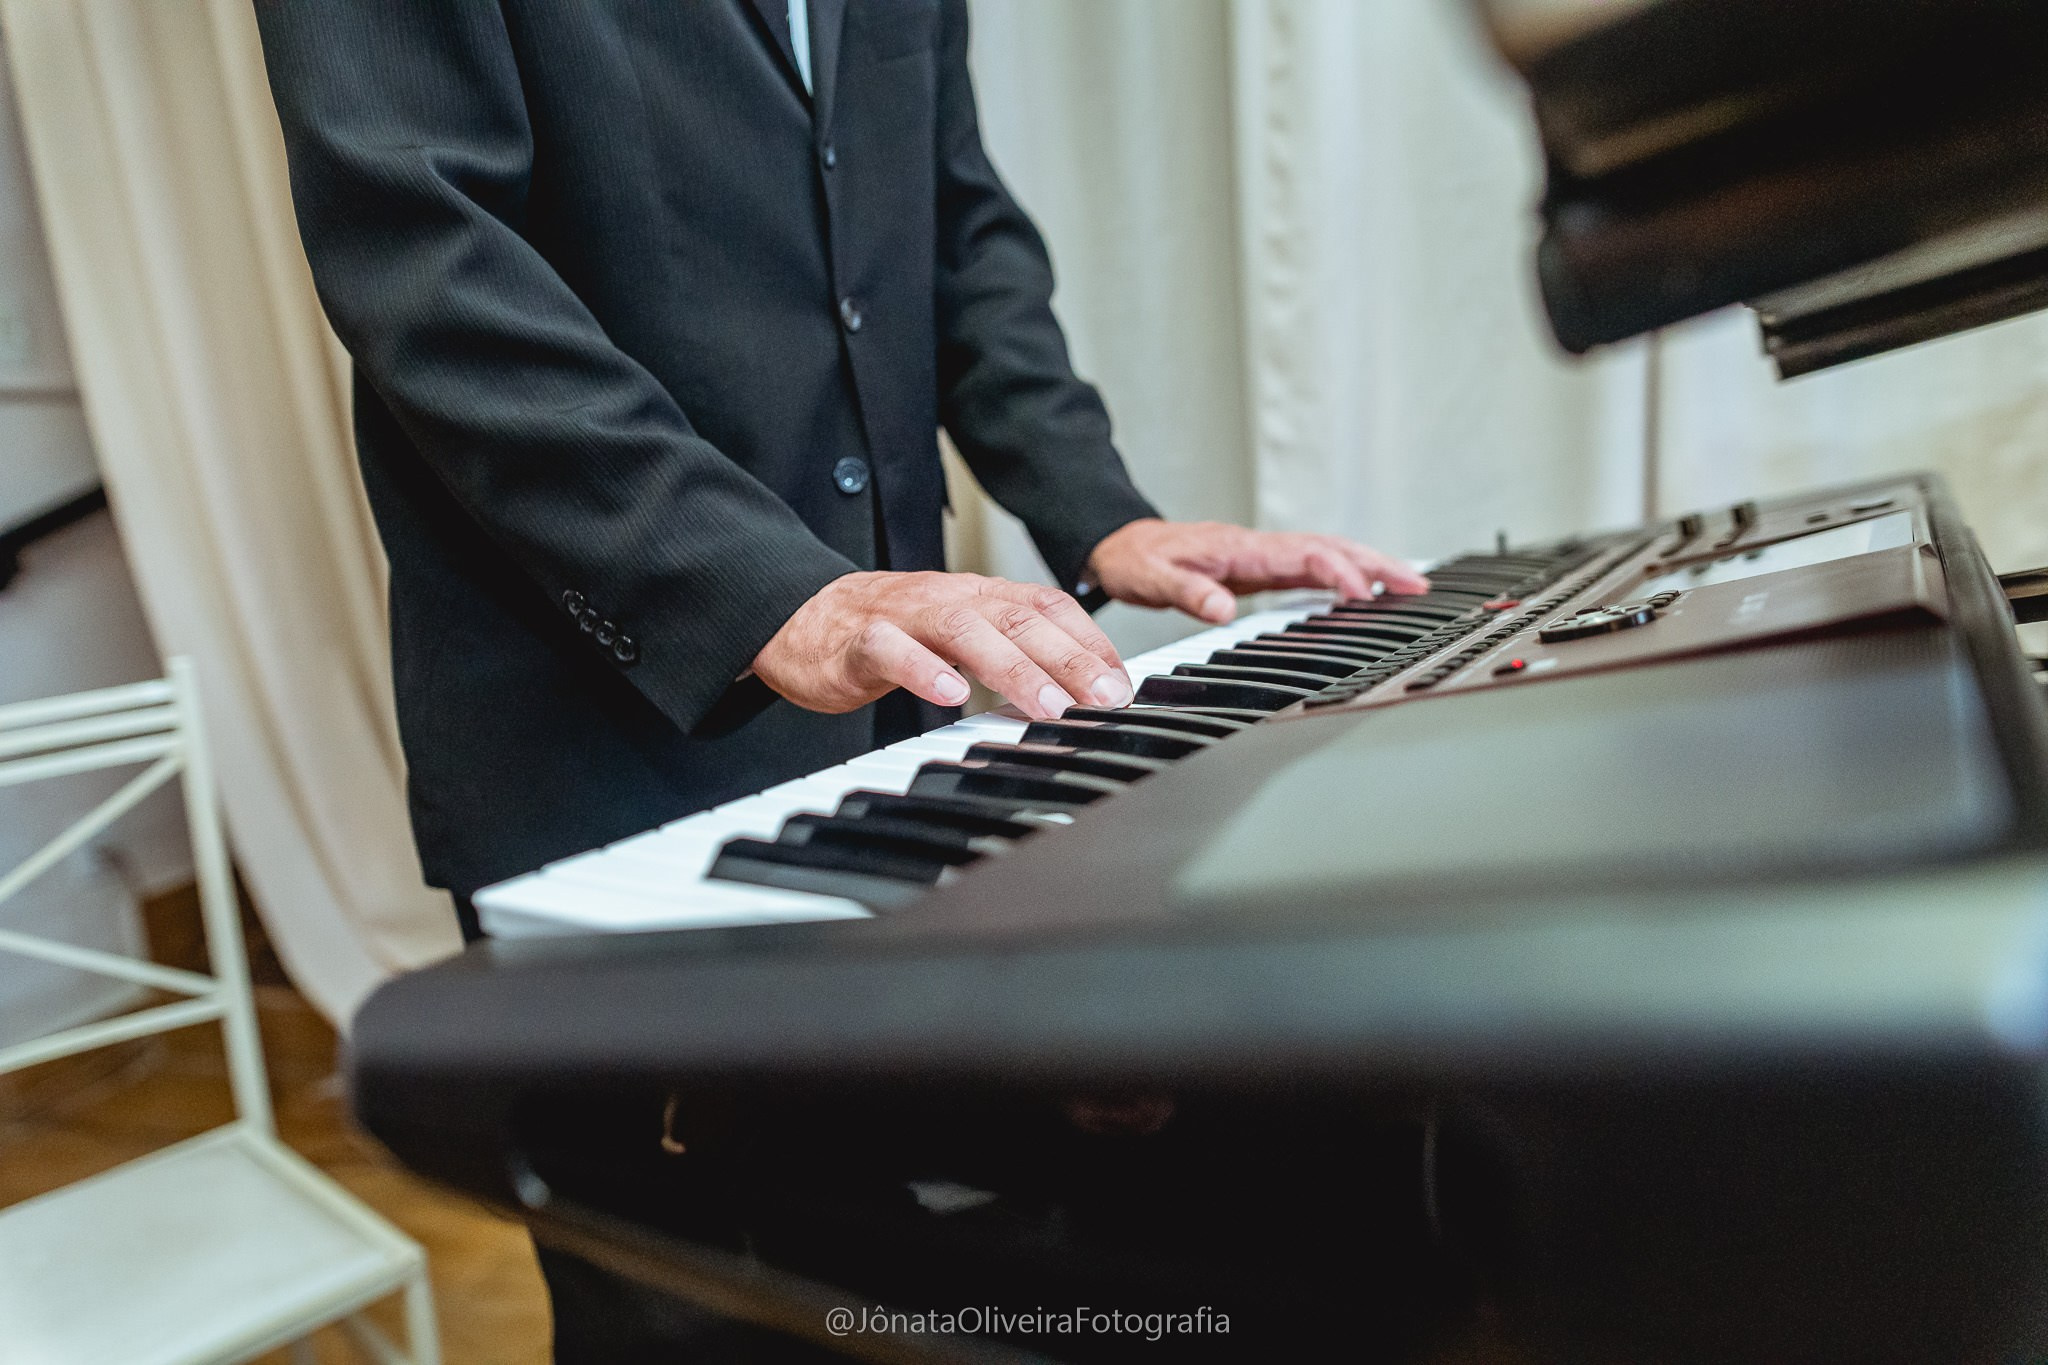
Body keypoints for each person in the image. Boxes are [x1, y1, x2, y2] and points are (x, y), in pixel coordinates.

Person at [256, 1, 1427, 1357]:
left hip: (885, 726)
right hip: (599, 734)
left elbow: (953, 222)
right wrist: (763, 590)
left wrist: (1096, 510)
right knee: (689, 1307)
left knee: (891, 1264)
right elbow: (424, 253)